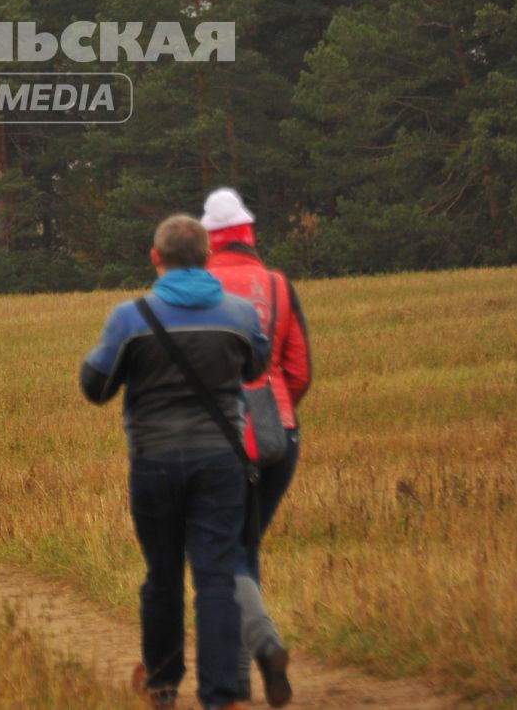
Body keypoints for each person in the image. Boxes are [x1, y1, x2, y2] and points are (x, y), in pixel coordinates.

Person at [80, 214, 269, 710]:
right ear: (207, 258)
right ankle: (221, 695)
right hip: (220, 462)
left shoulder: (130, 317)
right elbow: (257, 366)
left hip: (154, 461)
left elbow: (95, 388)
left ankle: (163, 685)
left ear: (155, 257)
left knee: (161, 575)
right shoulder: (240, 314)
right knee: (216, 576)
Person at [200, 188, 310, 708]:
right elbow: (300, 369)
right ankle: (247, 676)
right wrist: (274, 409)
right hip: (277, 434)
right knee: (244, 552)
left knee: (224, 557)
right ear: (249, 234)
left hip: (214, 441)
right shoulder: (278, 286)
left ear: (209, 239)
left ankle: (257, 656)